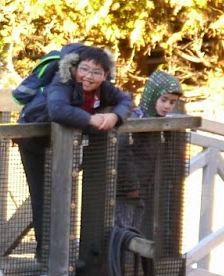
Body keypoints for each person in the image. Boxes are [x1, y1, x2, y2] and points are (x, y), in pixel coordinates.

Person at [17, 45, 132, 259]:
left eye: (96, 72)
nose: (88, 77)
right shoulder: (62, 82)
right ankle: (46, 255)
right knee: (43, 196)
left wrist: (115, 117)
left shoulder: (104, 88)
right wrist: (90, 119)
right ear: (75, 68)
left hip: (65, 145)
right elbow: (57, 110)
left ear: (106, 75)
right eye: (84, 69)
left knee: (66, 195)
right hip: (34, 142)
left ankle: (70, 254)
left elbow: (125, 100)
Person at [116, 70, 183, 234]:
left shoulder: (158, 123)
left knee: (136, 231)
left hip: (144, 188)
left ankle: (130, 260)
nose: (167, 106)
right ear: (152, 97)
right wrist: (132, 186)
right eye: (164, 100)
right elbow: (122, 151)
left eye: (172, 102)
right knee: (123, 233)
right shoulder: (136, 120)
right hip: (125, 190)